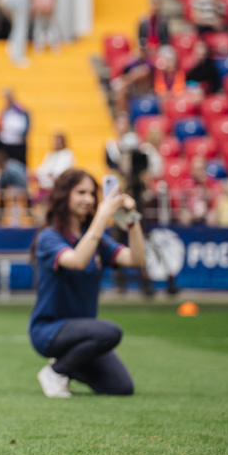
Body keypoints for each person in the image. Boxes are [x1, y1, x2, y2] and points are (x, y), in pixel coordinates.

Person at [29, 168, 145, 398]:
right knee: (111, 332)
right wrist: (102, 217)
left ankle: (66, 362)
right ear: (64, 195)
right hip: (49, 330)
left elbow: (136, 260)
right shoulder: (49, 237)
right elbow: (78, 261)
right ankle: (55, 371)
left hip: (84, 334)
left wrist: (132, 220)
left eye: (92, 193)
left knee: (121, 388)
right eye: (81, 192)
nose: (89, 199)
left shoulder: (96, 237)